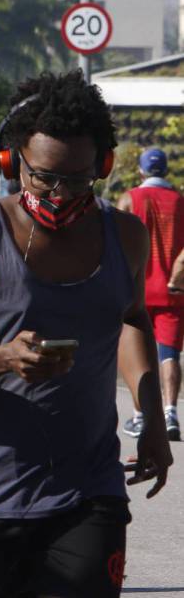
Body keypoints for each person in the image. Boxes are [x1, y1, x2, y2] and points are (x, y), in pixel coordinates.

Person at [0, 71, 174, 598]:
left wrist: (154, 423)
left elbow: (132, 319)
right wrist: (2, 358)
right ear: (11, 162)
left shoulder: (126, 237)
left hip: (90, 493)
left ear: (103, 167)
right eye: (43, 177)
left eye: (78, 179)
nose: (59, 193)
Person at [117, 148, 184, 442]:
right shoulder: (180, 202)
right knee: (169, 354)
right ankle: (170, 413)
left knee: (136, 354)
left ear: (141, 171)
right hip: (173, 291)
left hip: (136, 292)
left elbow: (114, 244)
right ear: (166, 170)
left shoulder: (130, 199)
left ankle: (140, 415)